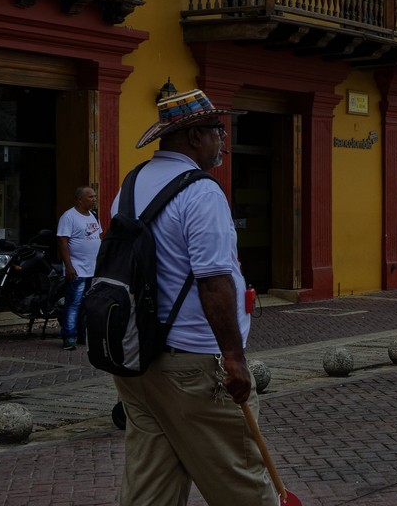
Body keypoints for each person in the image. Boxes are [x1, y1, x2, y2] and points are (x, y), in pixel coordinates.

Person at [110, 87, 276, 506]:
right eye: (218, 130)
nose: (223, 139)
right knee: (244, 484)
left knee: (151, 488)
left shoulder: (129, 187)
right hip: (195, 365)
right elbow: (213, 281)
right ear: (194, 136)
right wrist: (235, 360)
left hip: (139, 360)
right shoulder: (201, 191)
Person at [56, 185, 102, 350]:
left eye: (94, 196)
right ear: (80, 199)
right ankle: (69, 336)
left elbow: (98, 238)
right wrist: (69, 266)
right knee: (73, 303)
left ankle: (83, 335)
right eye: (91, 197)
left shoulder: (94, 216)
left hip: (93, 269)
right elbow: (62, 242)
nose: (94, 200)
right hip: (77, 269)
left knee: (88, 305)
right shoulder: (69, 217)